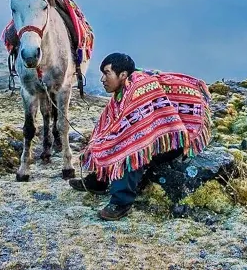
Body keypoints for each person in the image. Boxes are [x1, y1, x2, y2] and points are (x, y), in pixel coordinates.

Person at [70, 53, 212, 220]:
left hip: (171, 142)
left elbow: (134, 133)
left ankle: (121, 202)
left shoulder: (138, 89)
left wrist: (116, 140)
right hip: (157, 135)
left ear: (122, 75)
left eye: (107, 73)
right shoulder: (124, 89)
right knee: (110, 139)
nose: (102, 79)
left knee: (130, 148)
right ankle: (99, 181)